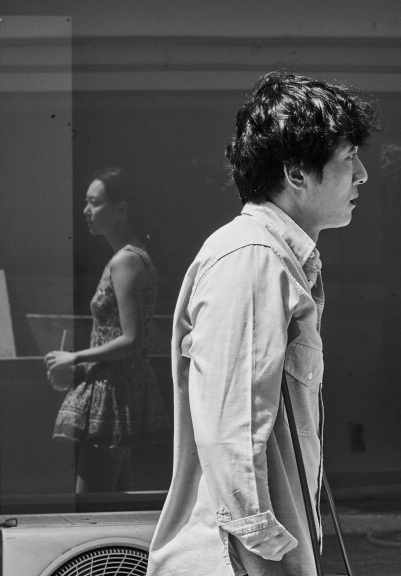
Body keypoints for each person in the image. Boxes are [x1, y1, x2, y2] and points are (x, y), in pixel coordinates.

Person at [147, 72, 379, 575]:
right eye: (348, 158)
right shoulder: (254, 258)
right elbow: (232, 420)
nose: (362, 174)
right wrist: (267, 541)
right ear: (296, 173)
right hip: (239, 560)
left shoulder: (271, 257)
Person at [45, 166, 170, 493]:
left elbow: (131, 339)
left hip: (114, 391)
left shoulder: (126, 260)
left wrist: (74, 358)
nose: (86, 211)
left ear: (121, 208)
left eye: (94, 202)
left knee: (90, 502)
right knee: (111, 496)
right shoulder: (131, 257)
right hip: (118, 387)